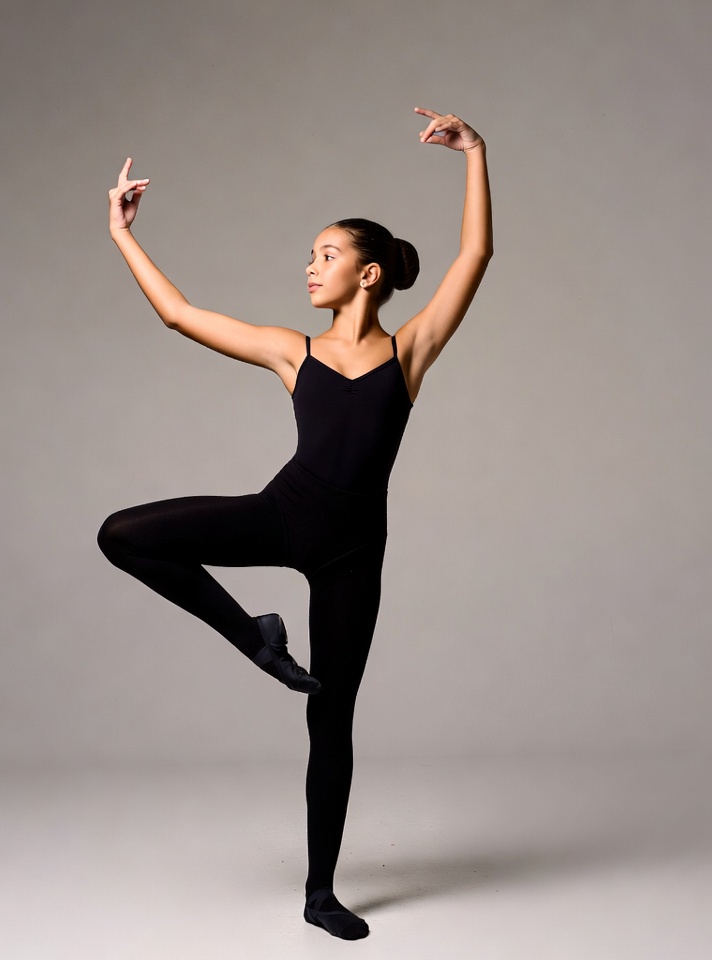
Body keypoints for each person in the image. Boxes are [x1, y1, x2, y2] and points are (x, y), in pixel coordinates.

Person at [97, 107, 492, 940]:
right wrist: (123, 234)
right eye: (311, 255)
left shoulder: (409, 353)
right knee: (123, 534)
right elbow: (179, 315)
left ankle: (320, 894)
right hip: (283, 516)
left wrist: (475, 154)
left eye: (326, 254)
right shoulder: (292, 351)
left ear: (371, 273)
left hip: (354, 552)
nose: (308, 266)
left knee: (332, 718)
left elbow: (476, 256)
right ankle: (255, 639)